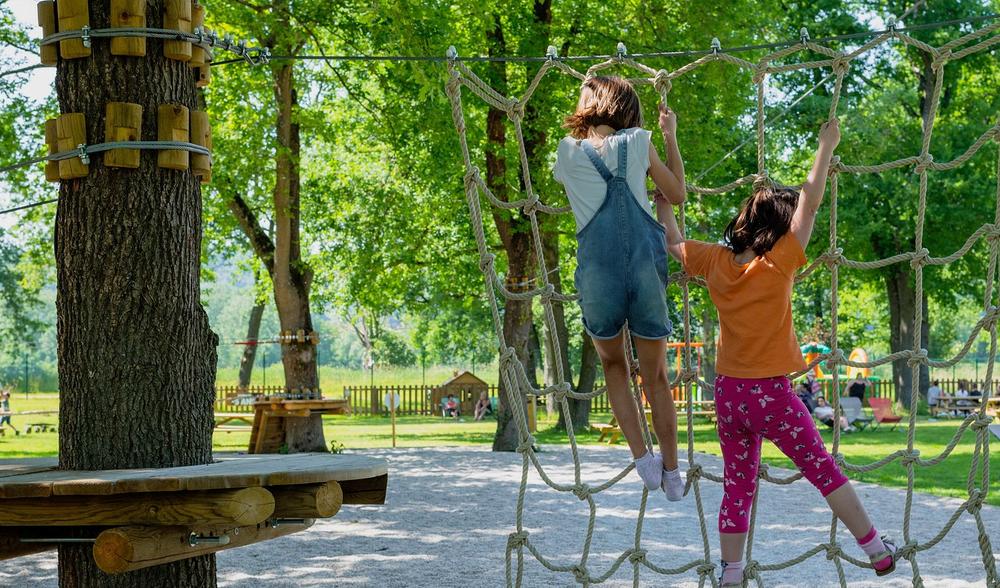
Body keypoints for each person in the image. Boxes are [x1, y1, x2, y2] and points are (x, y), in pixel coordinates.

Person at [658, 117, 897, 584]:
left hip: (728, 396)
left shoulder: (714, 260)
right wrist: (825, 145)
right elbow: (809, 207)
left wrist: (665, 203)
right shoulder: (779, 262)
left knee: (738, 486)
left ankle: (730, 571)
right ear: (779, 229)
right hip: (772, 397)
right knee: (823, 470)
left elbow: (671, 241)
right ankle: (876, 550)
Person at [553, 76, 687, 501]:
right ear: (627, 108)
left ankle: (642, 459)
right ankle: (671, 469)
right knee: (657, 376)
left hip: (598, 274)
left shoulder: (567, 153)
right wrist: (670, 137)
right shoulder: (639, 141)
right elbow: (677, 193)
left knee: (614, 366)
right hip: (645, 268)